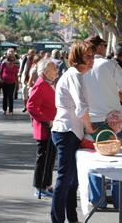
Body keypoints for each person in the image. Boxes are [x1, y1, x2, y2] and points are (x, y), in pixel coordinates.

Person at [50, 42, 96, 223]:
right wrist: (91, 128)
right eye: (87, 57)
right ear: (77, 58)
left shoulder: (76, 75)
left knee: (72, 180)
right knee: (65, 178)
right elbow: (81, 108)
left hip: (70, 131)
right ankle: (58, 219)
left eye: (92, 56)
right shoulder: (75, 75)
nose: (91, 60)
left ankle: (71, 217)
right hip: (67, 131)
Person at [26, 59, 58, 198]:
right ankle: (39, 187)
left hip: (51, 127)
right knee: (43, 159)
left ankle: (46, 185)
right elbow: (31, 106)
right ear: (46, 72)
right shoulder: (40, 84)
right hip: (44, 128)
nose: (56, 71)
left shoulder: (49, 84)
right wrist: (46, 120)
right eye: (53, 69)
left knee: (49, 159)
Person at [84, 35, 122, 124]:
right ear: (99, 47)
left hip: (89, 119)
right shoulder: (110, 64)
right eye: (105, 45)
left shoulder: (81, 67)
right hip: (111, 119)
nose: (106, 48)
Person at [0, 51, 19, 115]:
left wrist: (17, 84)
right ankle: (4, 110)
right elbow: (0, 72)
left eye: (12, 60)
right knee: (5, 96)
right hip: (4, 82)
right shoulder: (4, 64)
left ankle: (11, 110)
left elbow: (16, 76)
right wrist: (0, 79)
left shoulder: (15, 67)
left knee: (11, 97)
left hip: (12, 83)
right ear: (7, 60)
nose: (11, 61)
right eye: (9, 60)